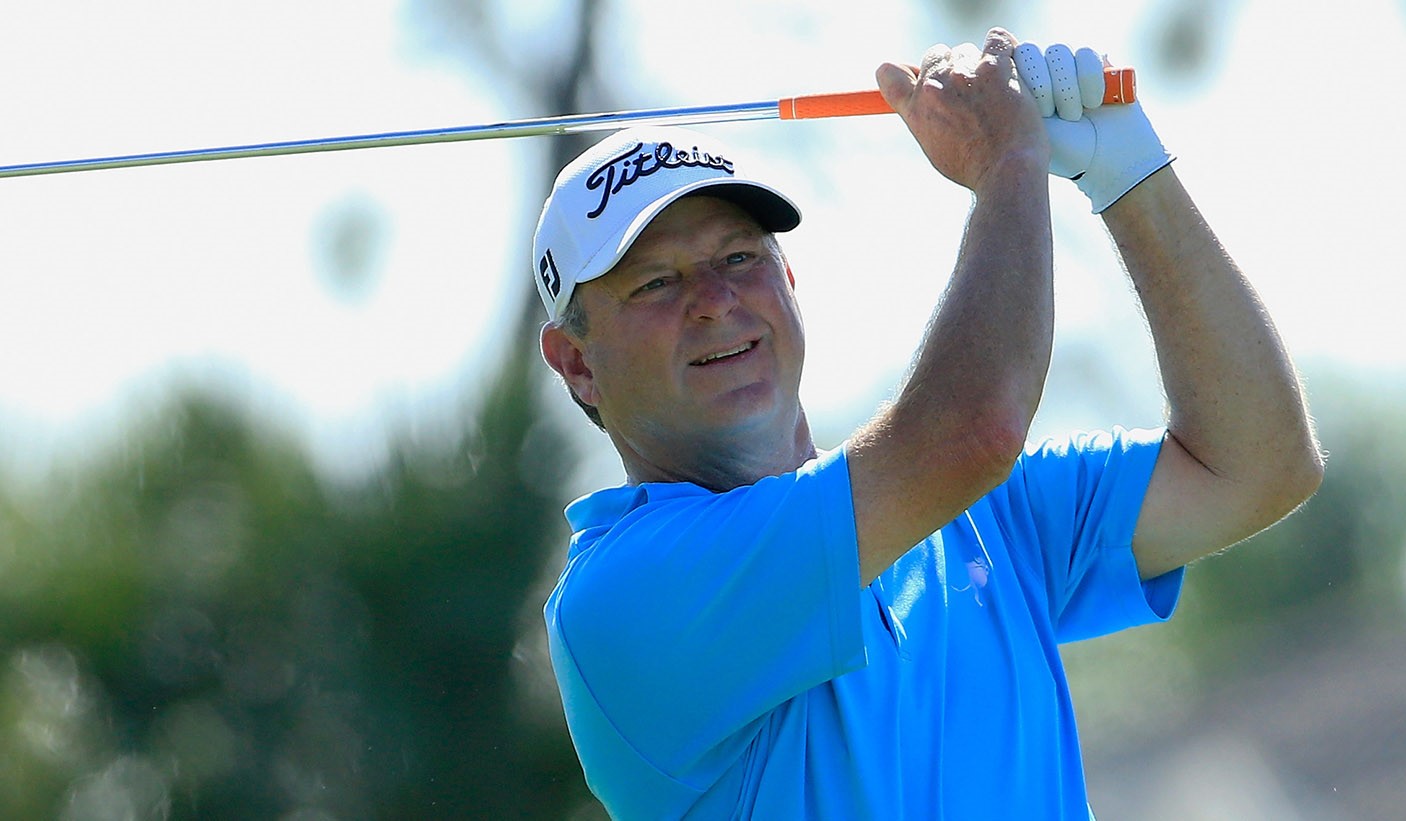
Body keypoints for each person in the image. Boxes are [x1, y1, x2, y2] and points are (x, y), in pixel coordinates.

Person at [532, 28, 1323, 820]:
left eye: (741, 258)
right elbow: (973, 431)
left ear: (790, 279)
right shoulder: (622, 597)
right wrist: (1009, 164)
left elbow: (1257, 465)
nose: (714, 299)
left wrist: (1132, 177)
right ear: (576, 362)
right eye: (656, 282)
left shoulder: (978, 517)